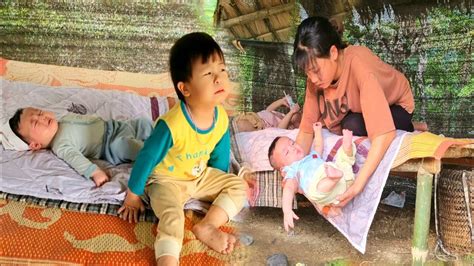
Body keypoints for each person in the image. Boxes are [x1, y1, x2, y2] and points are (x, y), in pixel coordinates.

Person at [117, 32, 247, 266]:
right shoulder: (172, 125)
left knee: (238, 185)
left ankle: (208, 226)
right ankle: (168, 261)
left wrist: (214, 186)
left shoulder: (221, 119)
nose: (219, 78)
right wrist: (133, 196)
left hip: (197, 177)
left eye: (222, 70)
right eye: (208, 73)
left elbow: (219, 157)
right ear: (185, 88)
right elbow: (147, 157)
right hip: (166, 181)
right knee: (172, 217)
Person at [292, 16, 426, 207]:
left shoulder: (358, 63)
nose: (313, 78)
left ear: (333, 53)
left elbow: (384, 134)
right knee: (350, 124)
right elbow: (306, 129)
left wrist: (358, 185)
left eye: (316, 70)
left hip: (395, 106)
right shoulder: (315, 80)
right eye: (307, 73)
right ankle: (415, 126)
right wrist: (295, 170)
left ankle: (412, 125)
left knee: (351, 124)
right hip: (361, 110)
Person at [7, 107, 153, 187]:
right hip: (110, 144)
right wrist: (95, 172)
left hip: (116, 127)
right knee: (124, 146)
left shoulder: (62, 119)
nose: (42, 117)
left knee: (143, 123)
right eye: (36, 123)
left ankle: (161, 135)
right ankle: (156, 152)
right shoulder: (60, 145)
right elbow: (76, 160)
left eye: (39, 112)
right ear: (36, 145)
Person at [268, 122, 355, 231]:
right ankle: (332, 179)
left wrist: (318, 132)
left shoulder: (311, 157)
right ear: (283, 169)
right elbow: (288, 189)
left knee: (343, 160)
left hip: (344, 180)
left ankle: (347, 147)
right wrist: (287, 210)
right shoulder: (292, 171)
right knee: (316, 191)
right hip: (323, 187)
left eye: (292, 143)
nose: (293, 148)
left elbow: (318, 146)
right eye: (287, 152)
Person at [235, 96, 302, 132]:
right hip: (253, 116)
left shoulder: (287, 127)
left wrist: (291, 113)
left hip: (258, 125)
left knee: (241, 126)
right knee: (238, 122)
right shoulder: (282, 116)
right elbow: (268, 110)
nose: (297, 113)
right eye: (299, 113)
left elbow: (279, 129)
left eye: (299, 121)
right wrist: (281, 101)